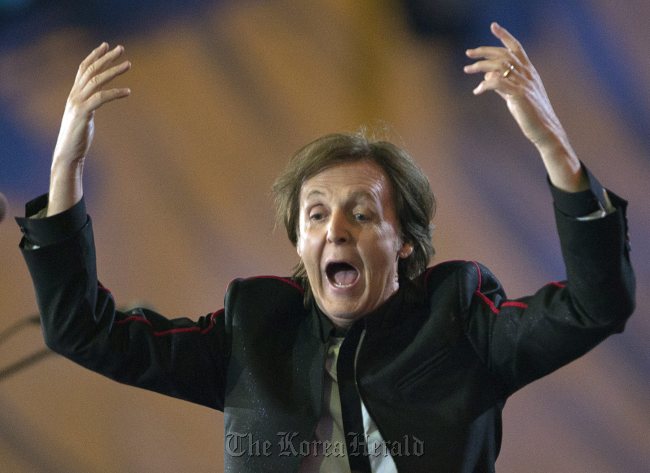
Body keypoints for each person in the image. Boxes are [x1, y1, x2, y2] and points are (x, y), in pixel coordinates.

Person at [17, 22, 634, 473]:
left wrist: (554, 145)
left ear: (407, 245)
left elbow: (595, 305)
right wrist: (65, 166)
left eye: (362, 213)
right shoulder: (255, 329)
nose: (335, 228)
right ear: (300, 241)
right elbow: (81, 330)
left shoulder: (463, 320)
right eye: (316, 214)